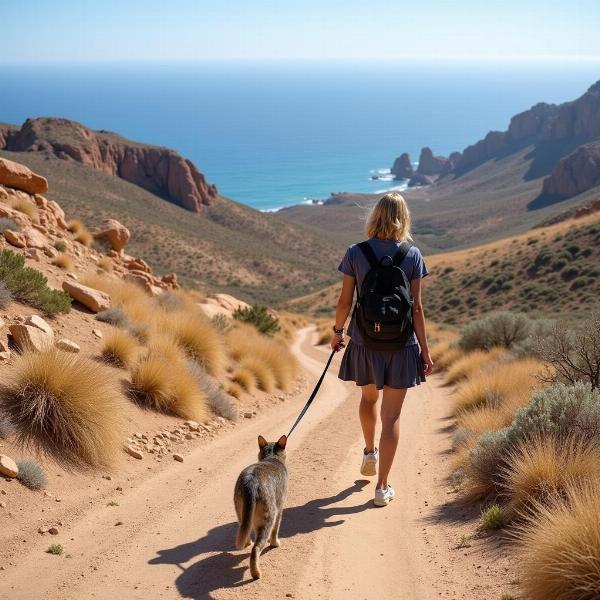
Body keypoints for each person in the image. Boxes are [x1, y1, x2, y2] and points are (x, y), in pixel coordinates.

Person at [330, 192, 433, 507]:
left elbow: (345, 302)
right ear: (404, 217)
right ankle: (382, 487)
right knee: (392, 416)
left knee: (368, 398)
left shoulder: (355, 252)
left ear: (375, 216)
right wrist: (425, 351)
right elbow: (416, 308)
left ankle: (369, 451)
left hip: (364, 341)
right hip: (402, 346)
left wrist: (337, 333)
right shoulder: (413, 255)